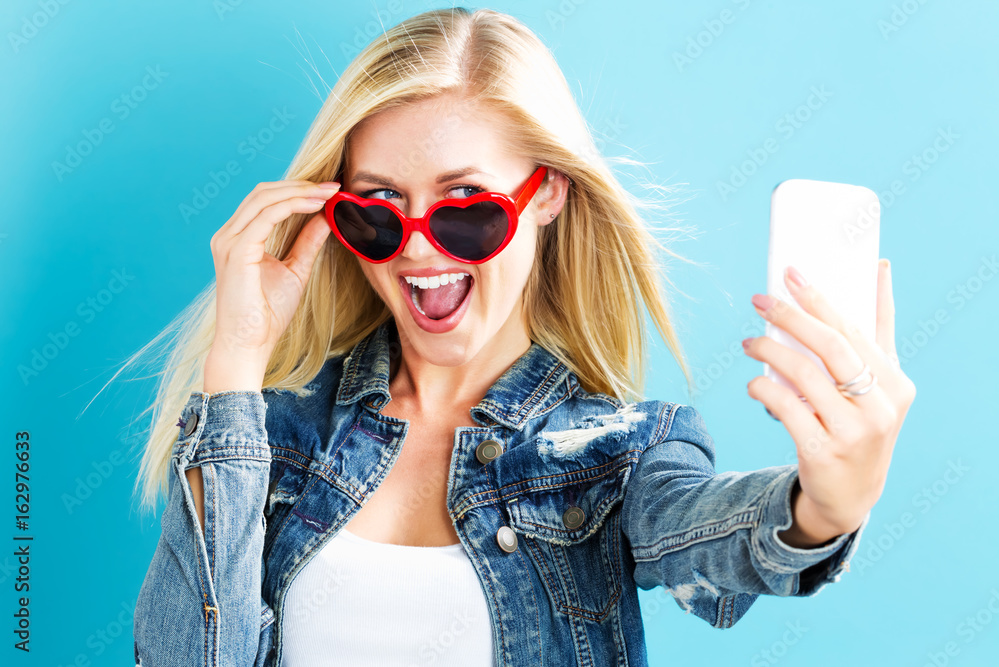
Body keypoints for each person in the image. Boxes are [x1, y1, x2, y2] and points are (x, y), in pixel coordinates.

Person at [129, 7, 915, 666]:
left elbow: (719, 546)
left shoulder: (619, 452)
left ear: (548, 195)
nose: (417, 247)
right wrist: (232, 369)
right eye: (376, 208)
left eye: (466, 203)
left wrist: (826, 504)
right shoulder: (274, 435)